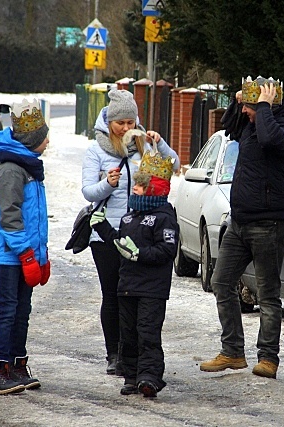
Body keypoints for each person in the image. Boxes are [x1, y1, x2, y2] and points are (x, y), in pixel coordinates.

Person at [199, 76, 284, 379]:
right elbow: (230, 128)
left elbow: (269, 138)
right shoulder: (253, 123)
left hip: (271, 223)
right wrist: (238, 104)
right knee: (221, 282)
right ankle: (233, 352)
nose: (248, 114)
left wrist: (260, 107)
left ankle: (268, 358)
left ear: (267, 106)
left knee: (267, 293)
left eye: (253, 108)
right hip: (240, 221)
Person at [82, 88, 179, 376]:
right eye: (120, 122)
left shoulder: (144, 144)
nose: (126, 128)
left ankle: (134, 356)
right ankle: (115, 354)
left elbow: (170, 167)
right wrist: (107, 184)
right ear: (109, 121)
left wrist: (159, 146)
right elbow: (88, 192)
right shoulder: (96, 149)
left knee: (135, 297)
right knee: (113, 295)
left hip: (141, 233)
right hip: (107, 234)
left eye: (130, 122)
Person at [89, 149, 178, 398]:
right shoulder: (130, 216)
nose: (134, 189)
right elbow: (121, 244)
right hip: (127, 286)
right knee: (127, 335)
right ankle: (131, 376)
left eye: (140, 186)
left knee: (148, 333)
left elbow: (167, 250)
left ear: (154, 189)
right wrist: (102, 226)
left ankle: (149, 377)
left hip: (152, 289)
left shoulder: (164, 217)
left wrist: (140, 253)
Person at [0, 98, 51, 395]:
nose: (48, 141)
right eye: (43, 136)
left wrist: (41, 255)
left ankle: (16, 364)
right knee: (7, 310)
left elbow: (36, 219)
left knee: (22, 310)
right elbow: (9, 216)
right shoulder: (13, 170)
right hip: (9, 255)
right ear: (32, 140)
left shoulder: (31, 168)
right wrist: (26, 254)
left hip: (26, 255)